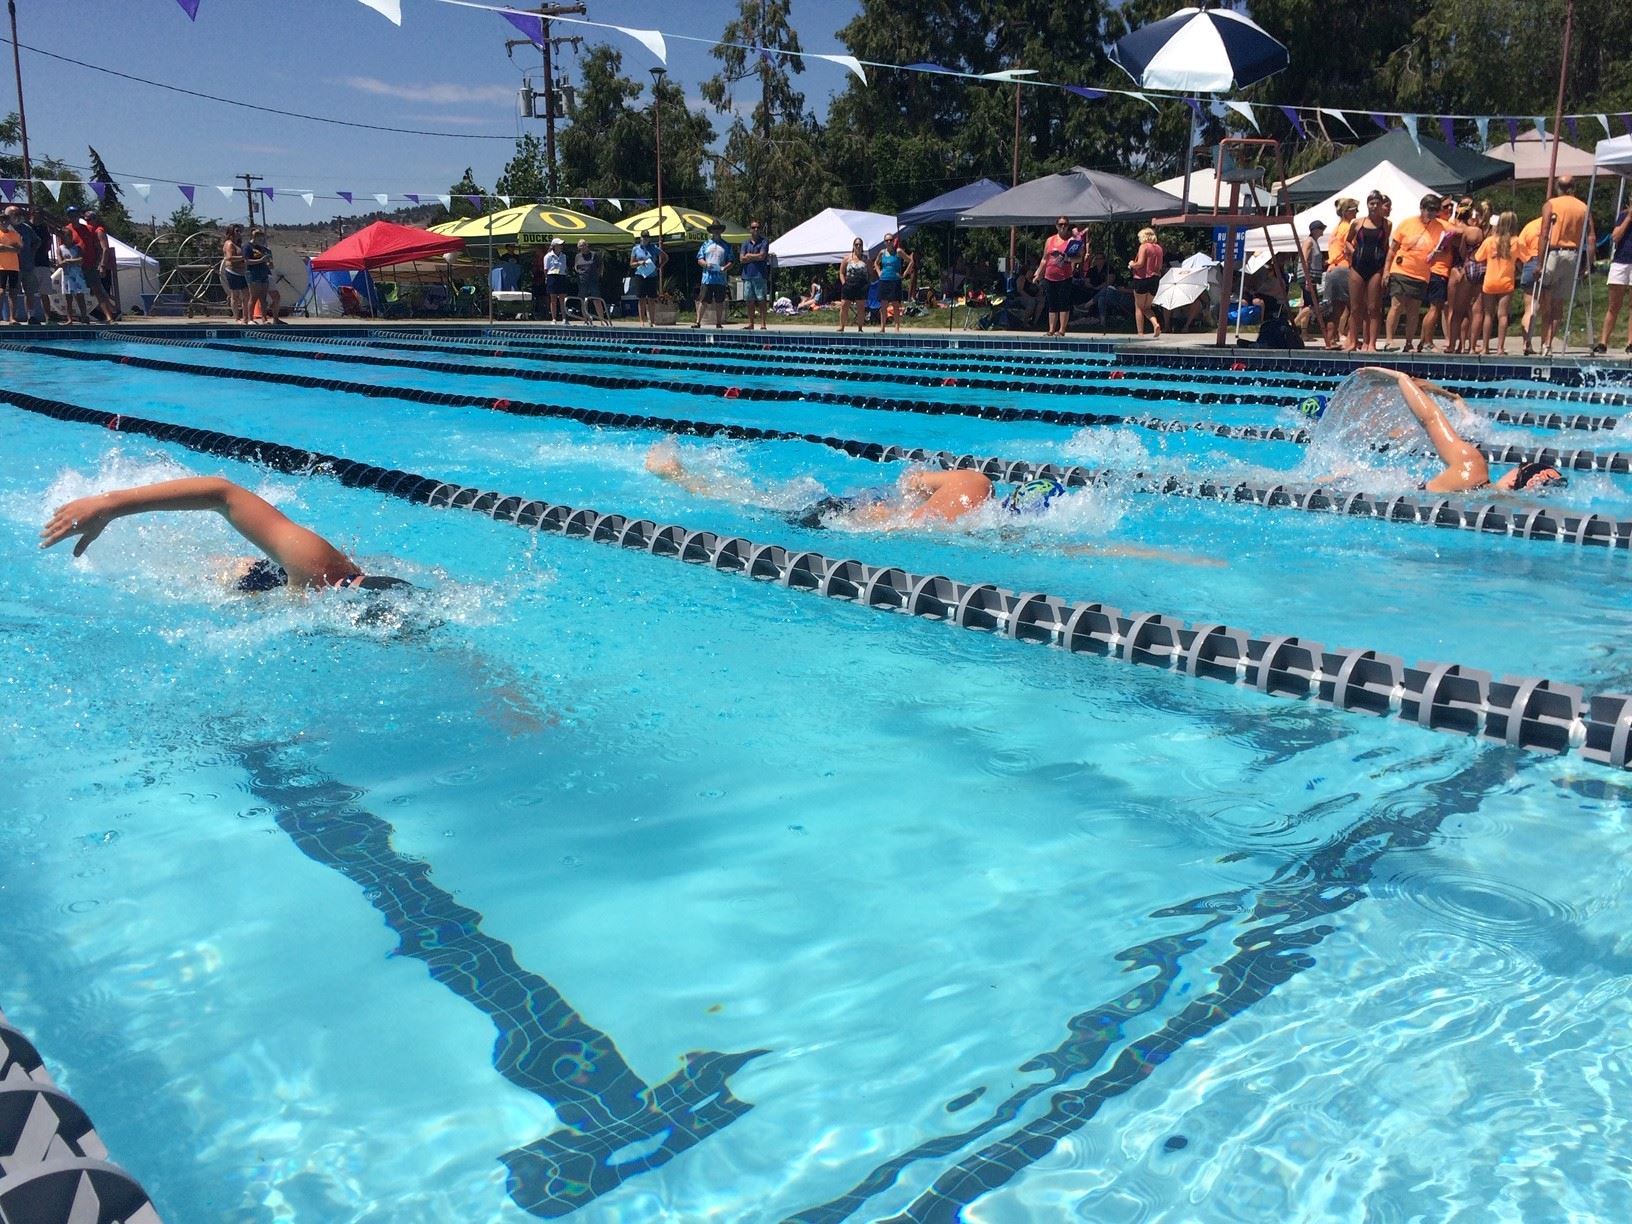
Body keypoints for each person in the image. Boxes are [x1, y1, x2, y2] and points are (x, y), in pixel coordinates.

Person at [39, 476, 411, 592]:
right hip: (254, 581)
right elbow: (222, 493)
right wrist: (108, 505)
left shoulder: (322, 584)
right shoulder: (316, 563)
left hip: (278, 589)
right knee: (203, 573)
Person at [1334, 368, 1567, 494]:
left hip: (1366, 484)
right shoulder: (1492, 508)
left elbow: (1431, 419)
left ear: (1517, 474)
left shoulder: (1472, 466)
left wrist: (1400, 378)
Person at [1537, 175, 1595, 355]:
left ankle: (1543, 342)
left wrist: (1539, 263)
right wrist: (1588, 263)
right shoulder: (1583, 207)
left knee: (1545, 299)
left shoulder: (1551, 204)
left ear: (1557, 187)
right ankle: (1548, 343)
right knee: (1558, 302)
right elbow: (1591, 236)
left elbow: (1544, 232)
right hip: (1573, 255)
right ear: (1573, 187)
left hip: (1553, 253)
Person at [1381, 193, 1444, 351]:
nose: (1431, 213)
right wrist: (1386, 271)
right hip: (1401, 269)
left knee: (1413, 309)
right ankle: (1389, 340)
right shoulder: (1407, 223)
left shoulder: (1440, 227)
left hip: (1421, 273)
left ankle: (1409, 342)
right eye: (1429, 209)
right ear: (1421, 208)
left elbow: (1455, 231)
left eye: (1435, 210)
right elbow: (1392, 250)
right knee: (1397, 305)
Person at [1344, 191, 1389, 351]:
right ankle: (1353, 341)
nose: (1374, 206)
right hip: (1357, 267)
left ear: (1381, 205)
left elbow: (1386, 247)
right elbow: (1347, 241)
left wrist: (1386, 270)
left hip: (1376, 267)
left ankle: (1371, 343)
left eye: (1377, 203)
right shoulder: (1357, 223)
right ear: (1367, 204)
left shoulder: (1386, 224)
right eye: (1371, 203)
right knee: (1355, 307)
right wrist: (1353, 251)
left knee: (1373, 308)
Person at [1474, 211, 1519, 355]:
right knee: (1503, 315)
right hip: (1506, 282)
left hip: (1490, 281)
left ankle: (1485, 347)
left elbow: (1478, 257)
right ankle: (1500, 348)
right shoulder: (1516, 241)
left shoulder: (1489, 241)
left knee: (1488, 315)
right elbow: (1524, 257)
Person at [1035, 215, 1083, 338]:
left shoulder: (1071, 241)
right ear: (1056, 226)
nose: (1063, 226)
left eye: (1065, 224)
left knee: (1063, 303)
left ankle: (1061, 329)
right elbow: (1044, 259)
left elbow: (1079, 258)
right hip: (1049, 276)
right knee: (1052, 304)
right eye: (1060, 224)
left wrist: (1067, 258)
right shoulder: (1050, 240)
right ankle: (1051, 329)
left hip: (1064, 277)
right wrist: (1038, 273)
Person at [1594, 200, 1632, 355]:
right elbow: (1615, 237)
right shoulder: (1623, 216)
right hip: (1621, 261)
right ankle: (1603, 341)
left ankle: (1630, 342)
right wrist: (1629, 218)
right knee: (1613, 305)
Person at [1321, 202, 1356, 348]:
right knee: (1355, 307)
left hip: (1332, 269)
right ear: (1346, 212)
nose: (1356, 213)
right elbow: (1349, 249)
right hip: (1344, 267)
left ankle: (1330, 339)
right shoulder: (1348, 228)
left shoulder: (1336, 229)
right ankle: (1351, 338)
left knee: (1334, 308)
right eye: (1354, 210)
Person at [4, 206, 44, 324]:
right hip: (11, 266)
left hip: (27, 265)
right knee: (13, 292)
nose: (18, 215)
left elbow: (37, 241)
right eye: (14, 214)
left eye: (18, 213)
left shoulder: (26, 228)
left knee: (30, 292)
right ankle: (12, 317)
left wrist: (32, 252)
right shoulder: (5, 229)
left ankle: (31, 316)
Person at [694, 221, 732, 329]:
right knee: (703, 300)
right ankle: (698, 322)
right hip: (707, 278)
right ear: (711, 231)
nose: (716, 231)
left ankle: (719, 323)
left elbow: (731, 261)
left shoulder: (726, 245)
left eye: (718, 229)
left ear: (721, 231)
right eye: (714, 229)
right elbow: (699, 259)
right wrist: (705, 264)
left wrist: (724, 268)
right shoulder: (706, 244)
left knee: (720, 301)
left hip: (720, 279)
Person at [1128, 227, 1164, 338]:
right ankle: (1155, 323)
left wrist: (1131, 264)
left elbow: (1140, 263)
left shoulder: (1144, 247)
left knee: (1139, 307)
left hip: (1142, 279)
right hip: (1155, 279)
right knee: (1147, 307)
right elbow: (1159, 266)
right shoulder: (1159, 248)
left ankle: (1140, 333)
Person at [872, 231, 912, 333]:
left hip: (895, 281)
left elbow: (910, 261)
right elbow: (876, 263)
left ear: (893, 241)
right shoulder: (882, 252)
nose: (889, 242)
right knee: (883, 305)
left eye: (891, 240)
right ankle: (882, 327)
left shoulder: (898, 252)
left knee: (895, 305)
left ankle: (897, 327)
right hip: (884, 280)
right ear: (884, 242)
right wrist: (879, 272)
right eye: (887, 240)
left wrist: (904, 274)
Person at [1295, 219, 1327, 339]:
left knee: (1307, 304)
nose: (1323, 231)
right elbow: (1304, 259)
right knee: (1312, 305)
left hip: (1311, 277)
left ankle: (1304, 333)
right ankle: (1293, 323)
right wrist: (1307, 278)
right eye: (1321, 228)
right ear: (1315, 230)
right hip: (1308, 277)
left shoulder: (1315, 242)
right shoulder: (1309, 242)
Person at [54, 223, 92, 323]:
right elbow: (60, 262)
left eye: (70, 236)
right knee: (68, 298)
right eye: (67, 236)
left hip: (77, 275)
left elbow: (80, 260)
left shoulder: (77, 248)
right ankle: (69, 318)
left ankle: (84, 316)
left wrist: (68, 261)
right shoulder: (60, 249)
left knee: (80, 296)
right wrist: (67, 262)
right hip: (67, 276)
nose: (69, 238)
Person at [739, 219, 771, 330]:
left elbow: (762, 256)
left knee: (761, 299)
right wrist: (754, 257)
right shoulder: (745, 243)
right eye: (753, 227)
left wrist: (749, 256)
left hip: (760, 275)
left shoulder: (764, 242)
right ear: (750, 229)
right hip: (747, 275)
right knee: (749, 300)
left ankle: (763, 324)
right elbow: (741, 259)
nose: (756, 229)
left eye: (757, 227)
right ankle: (751, 323)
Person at [629, 230, 665, 325]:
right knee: (641, 299)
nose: (645, 239)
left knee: (651, 299)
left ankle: (652, 321)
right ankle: (642, 320)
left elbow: (665, 257)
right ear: (640, 238)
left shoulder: (653, 248)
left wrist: (658, 266)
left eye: (647, 237)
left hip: (651, 276)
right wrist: (639, 263)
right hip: (640, 275)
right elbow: (631, 264)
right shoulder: (635, 249)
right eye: (644, 237)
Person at [836, 236, 871, 333]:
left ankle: (860, 328)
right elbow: (841, 272)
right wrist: (844, 283)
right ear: (853, 246)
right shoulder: (847, 258)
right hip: (849, 284)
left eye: (860, 244)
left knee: (861, 307)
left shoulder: (865, 259)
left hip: (861, 285)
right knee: (844, 306)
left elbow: (870, 273)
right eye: (856, 244)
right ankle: (842, 326)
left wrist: (867, 284)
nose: (858, 246)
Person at [220, 223, 248, 323]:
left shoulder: (239, 244)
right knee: (235, 295)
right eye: (237, 231)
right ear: (231, 232)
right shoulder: (229, 244)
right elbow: (229, 258)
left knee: (246, 295)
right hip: (233, 272)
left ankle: (246, 317)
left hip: (242, 272)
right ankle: (236, 318)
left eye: (240, 231)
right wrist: (243, 258)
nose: (239, 233)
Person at [244, 227, 273, 324]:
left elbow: (269, 262)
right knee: (254, 297)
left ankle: (264, 318)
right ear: (253, 236)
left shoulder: (262, 248)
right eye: (258, 237)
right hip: (253, 274)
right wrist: (260, 260)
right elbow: (247, 261)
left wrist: (269, 262)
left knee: (263, 298)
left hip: (263, 273)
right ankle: (250, 319)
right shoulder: (248, 247)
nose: (261, 240)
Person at [0, 213, 22, 324]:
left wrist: (5, 247)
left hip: (13, 267)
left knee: (13, 292)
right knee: (1, 291)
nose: (4, 222)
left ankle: (12, 318)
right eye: (2, 220)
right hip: (1, 267)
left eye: (6, 220)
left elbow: (18, 249)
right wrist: (11, 248)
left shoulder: (14, 234)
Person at [541, 237, 569, 323]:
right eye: (559, 245)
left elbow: (564, 267)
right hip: (552, 277)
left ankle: (564, 318)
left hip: (561, 276)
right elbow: (546, 269)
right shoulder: (548, 256)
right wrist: (547, 278)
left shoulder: (564, 256)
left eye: (561, 245)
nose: (561, 246)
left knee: (562, 298)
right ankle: (554, 318)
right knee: (553, 299)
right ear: (554, 246)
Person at [572, 238, 602, 320]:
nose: (583, 247)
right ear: (578, 247)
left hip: (593, 280)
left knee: (596, 299)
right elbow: (575, 266)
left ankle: (601, 319)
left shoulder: (594, 255)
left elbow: (599, 267)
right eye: (581, 246)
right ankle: (586, 318)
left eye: (584, 245)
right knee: (583, 300)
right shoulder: (577, 256)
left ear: (587, 245)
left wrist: (597, 275)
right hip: (582, 281)